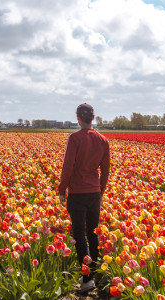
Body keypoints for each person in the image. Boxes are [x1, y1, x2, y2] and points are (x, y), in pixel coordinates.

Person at [58, 103, 110, 293]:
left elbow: (68, 167)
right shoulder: (103, 140)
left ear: (78, 118)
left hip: (78, 193)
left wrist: (62, 189)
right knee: (93, 234)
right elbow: (105, 170)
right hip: (94, 192)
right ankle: (93, 274)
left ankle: (87, 279)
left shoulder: (74, 139)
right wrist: (100, 190)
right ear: (93, 118)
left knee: (80, 236)